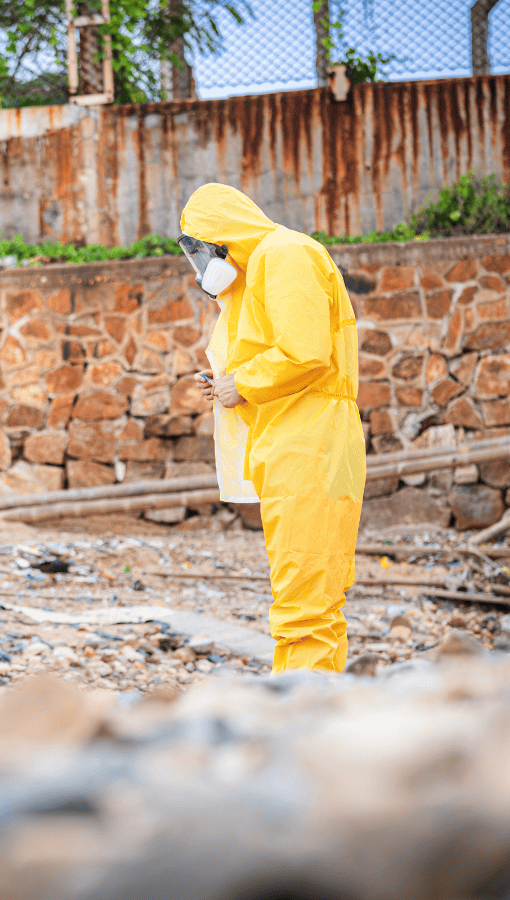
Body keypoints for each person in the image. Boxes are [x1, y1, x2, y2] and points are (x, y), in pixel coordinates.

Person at [180, 183, 365, 673]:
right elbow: (287, 358)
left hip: (310, 445)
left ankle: (300, 705)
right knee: (317, 591)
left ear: (220, 240)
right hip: (309, 440)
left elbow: (305, 352)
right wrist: (229, 384)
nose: (200, 265)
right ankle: (318, 698)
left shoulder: (282, 255)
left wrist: (242, 383)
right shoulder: (268, 262)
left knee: (304, 594)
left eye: (199, 249)